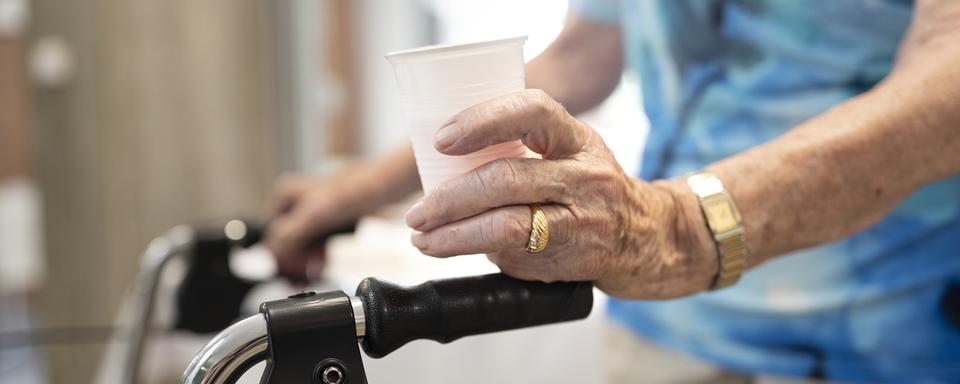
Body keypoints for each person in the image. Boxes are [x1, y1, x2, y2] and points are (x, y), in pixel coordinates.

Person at [265, 0, 960, 382]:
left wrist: (677, 231)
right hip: (670, 325)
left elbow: (947, 82)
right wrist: (359, 189)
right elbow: (580, 56)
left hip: (885, 337)